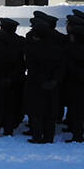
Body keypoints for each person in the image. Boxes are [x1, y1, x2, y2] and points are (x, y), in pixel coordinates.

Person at [24, 12, 66, 144]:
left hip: (37, 83)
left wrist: (42, 81)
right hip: (53, 85)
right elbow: (61, 67)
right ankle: (49, 137)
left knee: (37, 111)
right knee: (50, 111)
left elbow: (32, 66)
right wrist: (54, 81)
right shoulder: (58, 49)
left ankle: (37, 136)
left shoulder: (33, 49)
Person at [64, 12, 84, 143]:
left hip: (77, 82)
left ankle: (77, 135)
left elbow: (71, 66)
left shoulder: (74, 49)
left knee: (78, 109)